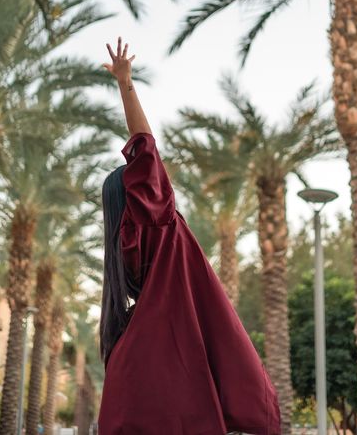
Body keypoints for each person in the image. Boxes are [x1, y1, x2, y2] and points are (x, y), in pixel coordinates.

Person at [98, 37, 281, 435]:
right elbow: (145, 149)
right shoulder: (154, 224)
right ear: (139, 195)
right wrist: (125, 83)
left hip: (137, 367)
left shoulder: (129, 247)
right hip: (169, 366)